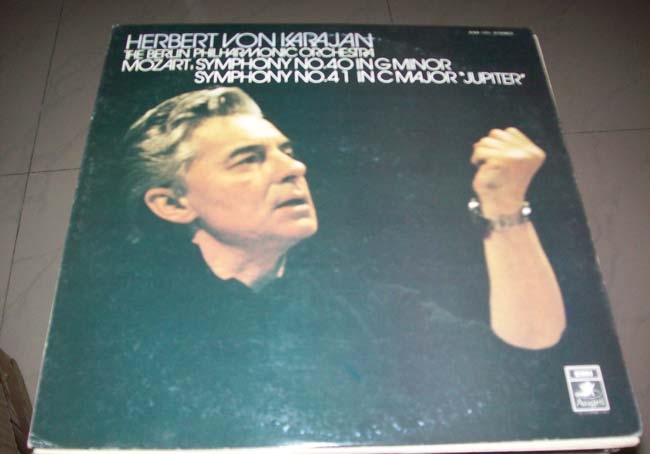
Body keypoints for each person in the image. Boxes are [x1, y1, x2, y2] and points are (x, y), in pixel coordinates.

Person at [125, 86, 565, 351]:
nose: (294, 168)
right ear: (172, 204)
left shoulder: (362, 306)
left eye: (287, 151)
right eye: (248, 159)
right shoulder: (130, 325)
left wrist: (503, 204)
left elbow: (525, 350)